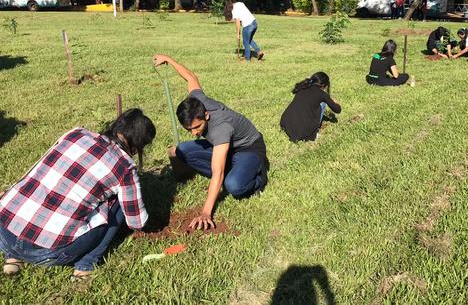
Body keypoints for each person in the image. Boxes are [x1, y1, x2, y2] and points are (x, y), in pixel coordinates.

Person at [0, 109, 155, 279]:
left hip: (4, 231)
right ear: (138, 144)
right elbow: (137, 221)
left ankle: (12, 256)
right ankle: (85, 265)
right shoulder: (124, 168)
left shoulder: (76, 134)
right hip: (49, 252)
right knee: (117, 203)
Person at [153, 54, 268, 231]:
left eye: (197, 127)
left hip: (249, 148)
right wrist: (168, 60)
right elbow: (190, 77)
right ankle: (233, 169)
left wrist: (206, 212)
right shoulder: (198, 101)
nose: (194, 132)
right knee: (183, 150)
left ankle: (258, 178)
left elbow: (217, 173)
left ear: (206, 115)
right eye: (189, 129)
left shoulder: (221, 128)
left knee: (233, 186)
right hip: (228, 148)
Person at [280, 72, 342, 142]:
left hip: (285, 123)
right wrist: (335, 102)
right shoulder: (322, 94)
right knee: (323, 104)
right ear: (324, 85)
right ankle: (314, 131)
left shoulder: (302, 87)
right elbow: (337, 110)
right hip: (301, 131)